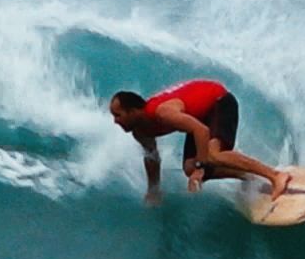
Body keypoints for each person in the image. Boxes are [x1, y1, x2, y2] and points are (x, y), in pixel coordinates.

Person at [108, 79, 291, 206]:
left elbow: (201, 131)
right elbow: (152, 157)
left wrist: (201, 168)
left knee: (212, 156)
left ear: (133, 111)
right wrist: (154, 190)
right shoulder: (141, 131)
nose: (115, 121)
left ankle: (276, 176)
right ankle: (250, 177)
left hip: (218, 101)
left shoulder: (162, 113)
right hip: (200, 115)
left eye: (118, 115)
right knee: (189, 168)